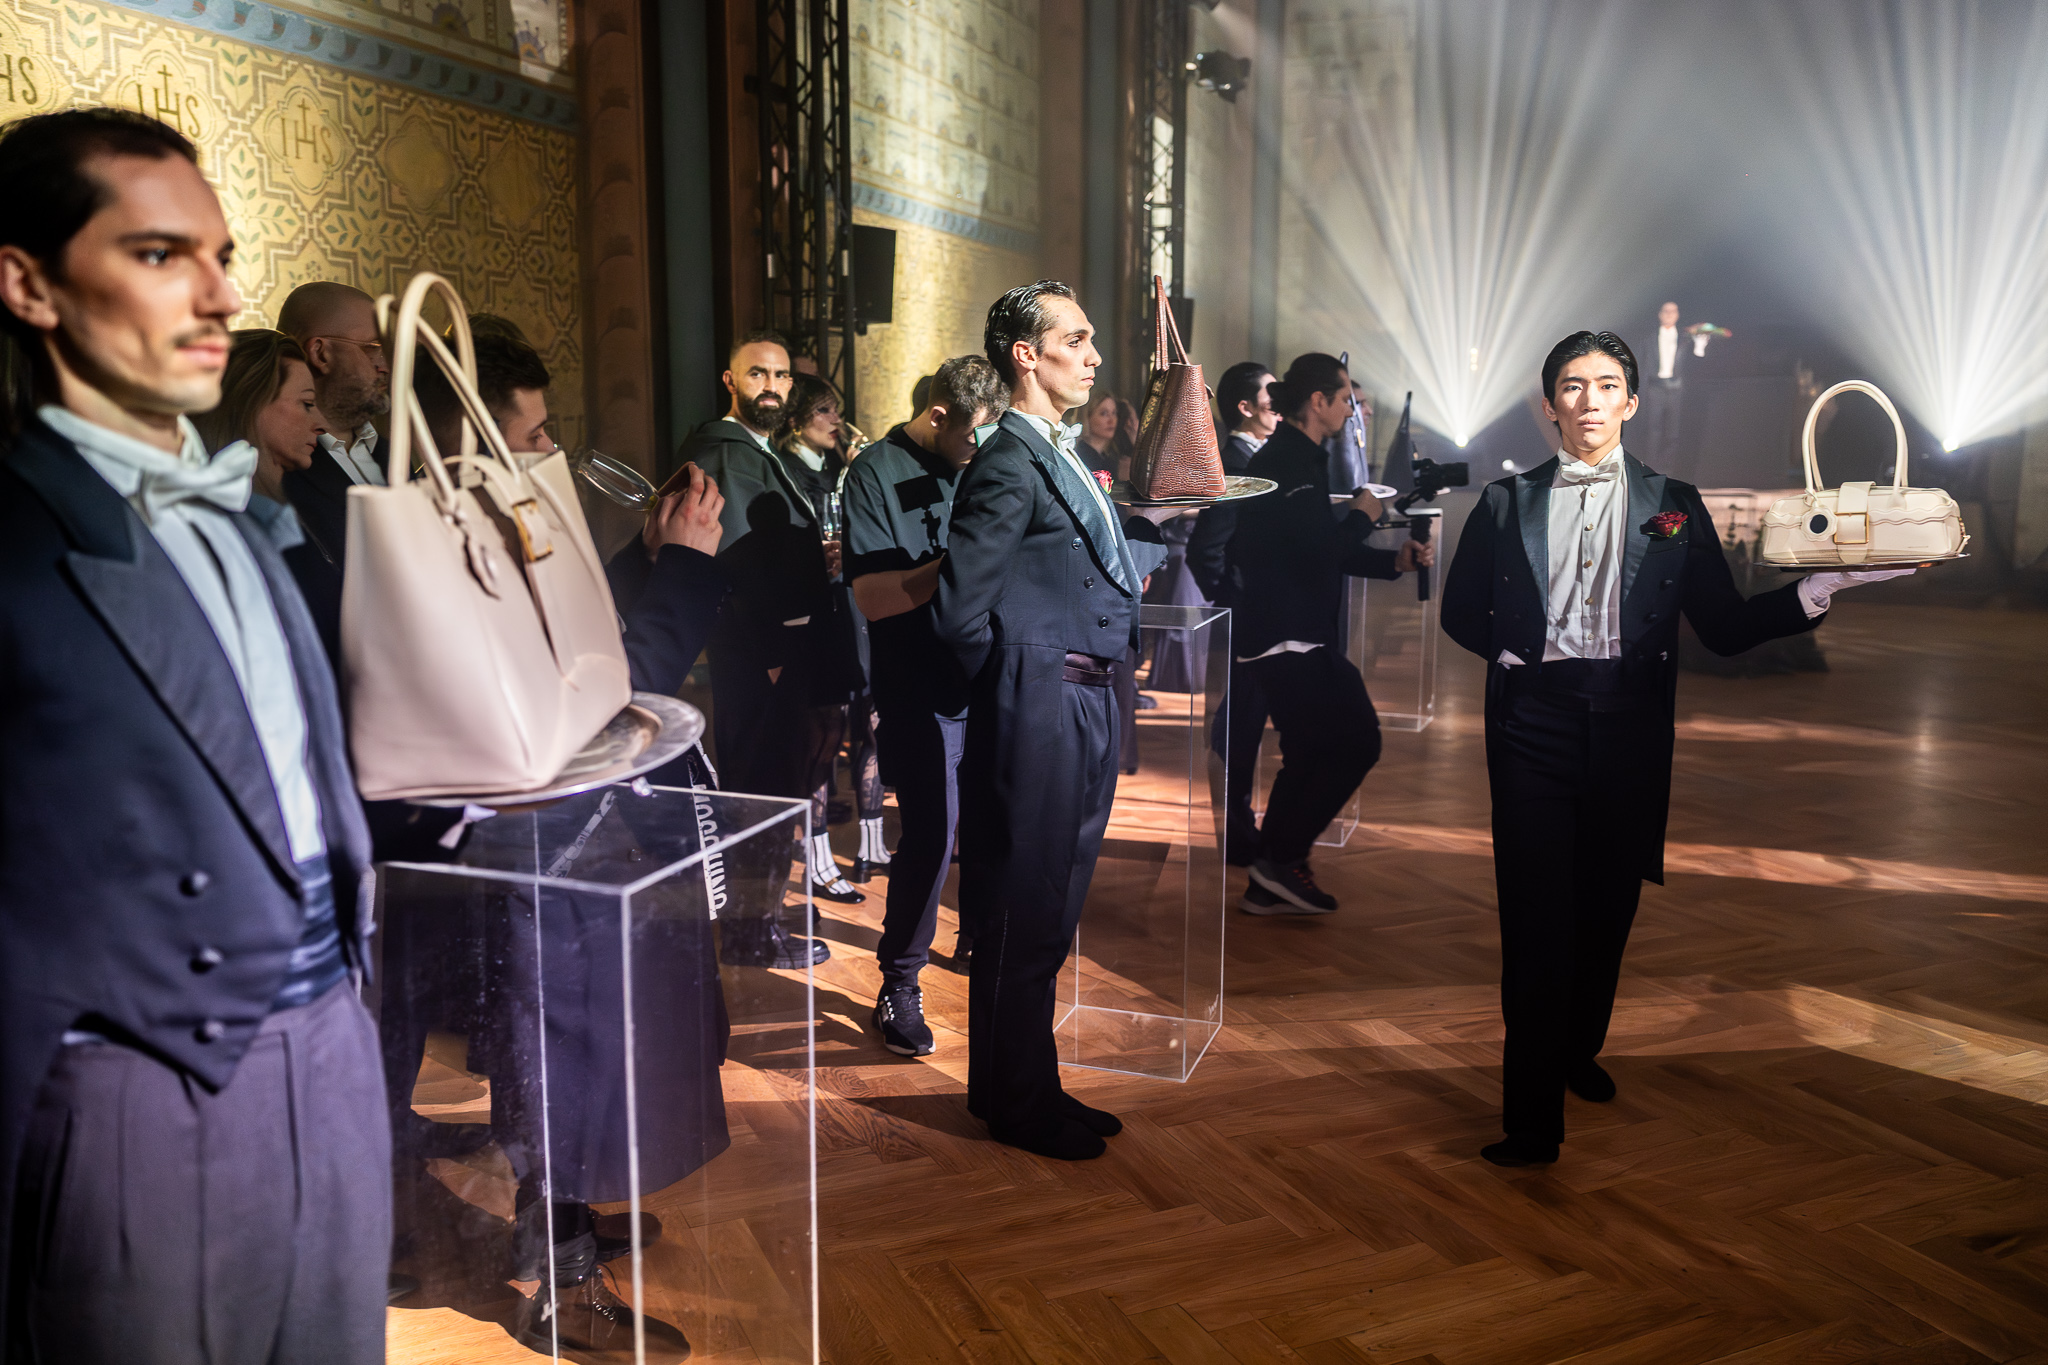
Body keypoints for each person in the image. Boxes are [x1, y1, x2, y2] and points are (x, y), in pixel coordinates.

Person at [0, 106, 386, 1362]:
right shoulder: (14, 536)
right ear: (29, 284)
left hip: (338, 1051)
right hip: (134, 1096)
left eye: (220, 257)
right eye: (161, 255)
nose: (220, 296)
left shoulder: (243, 522)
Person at [1442, 330, 1912, 1168]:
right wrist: (1518, 654)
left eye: (1606, 384)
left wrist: (1822, 586)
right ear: (1550, 405)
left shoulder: (1675, 504)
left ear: (1631, 401)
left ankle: (1575, 1048)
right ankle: (1531, 1120)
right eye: (1572, 385)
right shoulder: (1504, 503)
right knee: (1536, 921)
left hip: (1630, 727)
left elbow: (1724, 629)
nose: (1589, 399)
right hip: (1532, 728)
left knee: (1606, 913)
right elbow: (1458, 612)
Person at [406, 320, 726, 1360]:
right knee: (554, 1056)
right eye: (533, 436)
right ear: (471, 447)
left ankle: (573, 1214)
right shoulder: (453, 543)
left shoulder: (482, 525)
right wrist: (685, 572)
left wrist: (646, 559)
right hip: (531, 844)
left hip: (567, 843)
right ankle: (560, 1280)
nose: (550, 453)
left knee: (585, 1047)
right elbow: (595, 704)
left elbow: (581, 645)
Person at [931, 281, 1170, 1161]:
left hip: (1083, 695)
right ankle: (1015, 1103)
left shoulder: (1056, 453)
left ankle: (1025, 1083)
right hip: (1041, 702)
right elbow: (960, 612)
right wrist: (1012, 691)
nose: (1095, 356)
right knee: (1023, 904)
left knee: (1049, 904)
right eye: (1077, 339)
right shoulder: (1006, 460)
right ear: (1025, 355)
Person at [1226, 353, 1433, 914]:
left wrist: (1394, 562)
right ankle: (1280, 861)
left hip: (1292, 633)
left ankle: (1272, 872)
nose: (1350, 410)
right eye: (1344, 399)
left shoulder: (1299, 457)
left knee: (1311, 753)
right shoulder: (1289, 461)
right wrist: (1365, 513)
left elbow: (1318, 551)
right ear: (1318, 402)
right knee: (1356, 741)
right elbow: (1322, 552)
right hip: (1287, 637)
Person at [844, 353, 1009, 1056]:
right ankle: (900, 981)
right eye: (973, 434)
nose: (981, 449)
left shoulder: (986, 459)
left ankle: (980, 939)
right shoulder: (874, 473)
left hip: (994, 675)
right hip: (917, 682)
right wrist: (965, 562)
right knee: (932, 834)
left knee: (995, 822)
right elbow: (873, 596)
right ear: (939, 416)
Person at [772, 371, 874, 906]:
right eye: (824, 411)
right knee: (815, 738)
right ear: (796, 420)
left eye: (836, 409)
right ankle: (815, 861)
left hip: (836, 608)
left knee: (835, 730)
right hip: (802, 618)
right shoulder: (784, 471)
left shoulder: (831, 468)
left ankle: (822, 856)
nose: (836, 420)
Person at [1188, 361, 1280, 864]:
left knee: (1245, 724)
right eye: (1270, 398)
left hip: (1260, 618)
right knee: (1236, 729)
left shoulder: (1260, 456)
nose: (1278, 407)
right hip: (1245, 621)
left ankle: (1245, 833)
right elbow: (1206, 548)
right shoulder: (1236, 462)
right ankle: (1237, 837)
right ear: (1245, 408)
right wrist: (1235, 604)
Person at [276, 281, 391, 564]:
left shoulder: (392, 453)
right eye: (373, 348)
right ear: (320, 353)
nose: (386, 366)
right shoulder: (275, 467)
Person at [190, 328, 329, 557]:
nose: (322, 424)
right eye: (307, 403)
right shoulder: (220, 523)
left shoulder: (306, 506)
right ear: (252, 402)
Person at [1076, 391, 1126, 481]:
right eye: (1104, 413)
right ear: (1087, 417)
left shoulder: (1110, 458)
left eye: (1114, 413)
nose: (1112, 420)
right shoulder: (1080, 456)